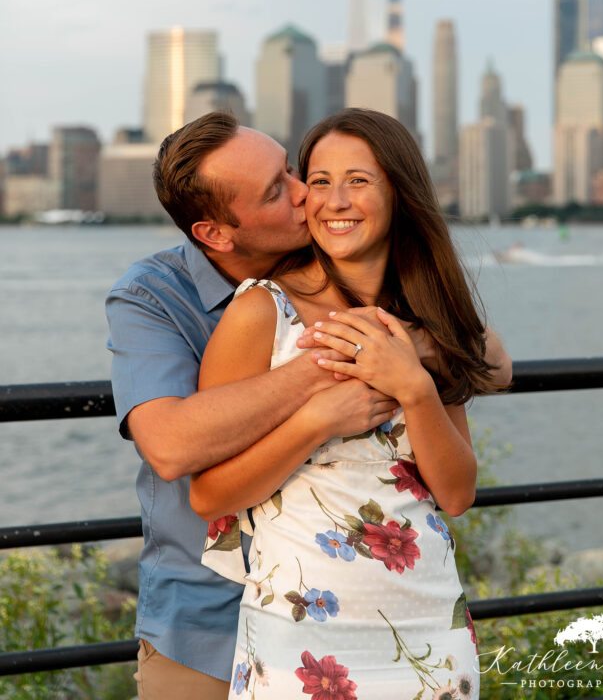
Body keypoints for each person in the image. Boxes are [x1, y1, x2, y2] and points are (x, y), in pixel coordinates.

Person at [107, 110, 511, 699]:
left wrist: (416, 353)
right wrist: (330, 373)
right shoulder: (169, 297)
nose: (309, 196)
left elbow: (490, 368)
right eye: (282, 189)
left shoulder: (398, 308)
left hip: (414, 619)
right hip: (214, 614)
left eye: (296, 172)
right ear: (217, 234)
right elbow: (171, 450)